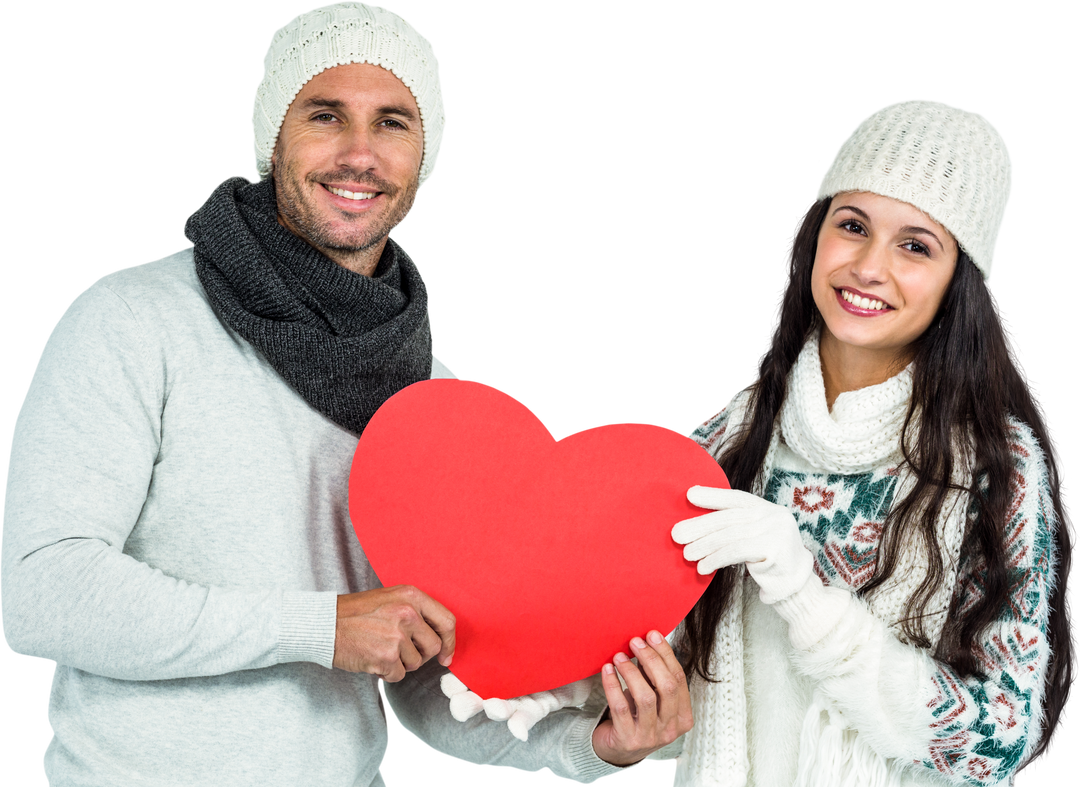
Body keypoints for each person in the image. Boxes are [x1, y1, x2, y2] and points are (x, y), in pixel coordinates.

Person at [0, 2, 690, 784]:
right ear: (274, 137)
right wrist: (322, 627)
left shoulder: (437, 400)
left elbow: (431, 683)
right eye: (326, 115)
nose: (359, 154)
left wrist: (593, 745)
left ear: (424, 157)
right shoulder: (133, 319)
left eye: (393, 123)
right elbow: (44, 594)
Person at [661, 98, 1078, 785]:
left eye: (916, 245)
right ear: (815, 235)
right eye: (852, 225)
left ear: (959, 280)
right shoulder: (727, 439)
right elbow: (653, 670)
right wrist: (537, 689)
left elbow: (995, 744)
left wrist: (803, 592)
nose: (868, 266)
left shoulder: (996, 471)